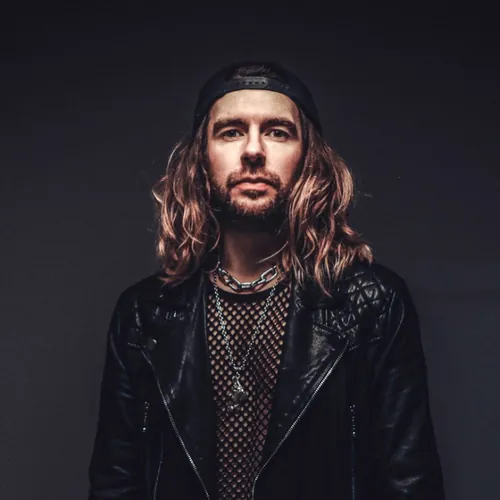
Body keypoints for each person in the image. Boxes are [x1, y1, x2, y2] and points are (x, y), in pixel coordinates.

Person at [87, 61, 445, 500]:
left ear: (308, 158)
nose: (253, 151)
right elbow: (115, 483)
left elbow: (410, 483)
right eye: (231, 131)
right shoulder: (144, 313)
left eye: (277, 132)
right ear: (200, 159)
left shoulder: (372, 304)